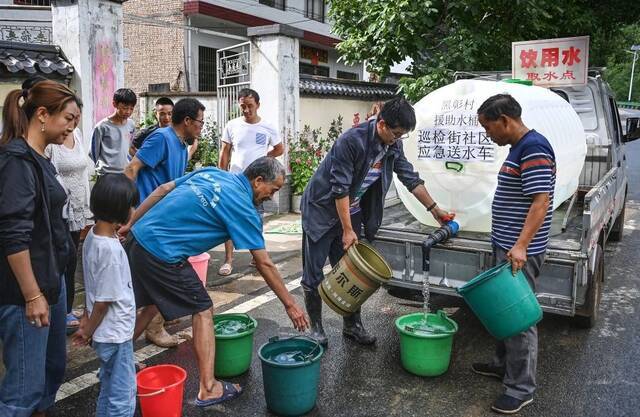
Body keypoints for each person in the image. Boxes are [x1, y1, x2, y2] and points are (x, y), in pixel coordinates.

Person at [119, 157, 308, 407]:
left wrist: (131, 224)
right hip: (163, 254)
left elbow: (161, 190)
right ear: (258, 180)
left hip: (139, 238)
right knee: (203, 309)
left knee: (153, 303)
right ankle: (208, 388)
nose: (271, 197)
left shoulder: (212, 173)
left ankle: (115, 364)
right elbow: (264, 264)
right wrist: (290, 305)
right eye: (272, 190)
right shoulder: (244, 208)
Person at [300, 97, 454, 347]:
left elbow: (409, 176)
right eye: (395, 133)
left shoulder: (392, 144)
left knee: (352, 270)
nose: (397, 139)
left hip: (351, 211)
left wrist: (435, 210)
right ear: (381, 124)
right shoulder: (351, 141)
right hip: (321, 210)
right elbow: (340, 189)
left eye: (402, 135)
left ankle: (352, 325)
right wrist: (348, 231)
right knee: (314, 273)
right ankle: (316, 329)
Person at [0, 79, 81, 417]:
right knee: (24, 386)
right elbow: (13, 234)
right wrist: (33, 295)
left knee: (53, 367)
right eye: (69, 118)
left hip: (52, 282)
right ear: (43, 115)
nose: (72, 127)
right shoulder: (17, 161)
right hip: (25, 293)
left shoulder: (41, 158)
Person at [473, 94, 555, 414]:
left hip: (520, 253)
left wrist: (520, 246)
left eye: (488, 127)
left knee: (518, 318)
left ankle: (521, 388)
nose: (487, 134)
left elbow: (540, 202)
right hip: (508, 248)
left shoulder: (533, 147)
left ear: (505, 120)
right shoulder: (519, 148)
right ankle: (503, 365)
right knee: (502, 311)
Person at [124, 97, 206, 348]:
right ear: (188, 121)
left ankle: (149, 328)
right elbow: (131, 170)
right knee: (140, 282)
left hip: (162, 220)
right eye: (200, 123)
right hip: (145, 220)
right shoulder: (162, 138)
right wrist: (130, 214)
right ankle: (132, 338)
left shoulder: (182, 145)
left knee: (155, 279)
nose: (201, 127)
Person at [72, 174, 139, 417]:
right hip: (115, 333)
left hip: (105, 333)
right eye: (131, 205)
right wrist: (87, 329)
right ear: (120, 209)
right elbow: (104, 301)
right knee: (123, 396)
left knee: (108, 388)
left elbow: (94, 286)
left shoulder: (93, 236)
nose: (133, 209)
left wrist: (86, 320)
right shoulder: (109, 250)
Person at [217, 88, 283, 276]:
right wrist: (222, 176)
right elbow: (225, 152)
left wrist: (264, 159)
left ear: (258, 105)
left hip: (258, 185)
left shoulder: (268, 126)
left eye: (250, 106)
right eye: (243, 106)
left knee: (257, 219)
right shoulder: (232, 125)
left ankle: (257, 258)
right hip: (235, 181)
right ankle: (228, 260)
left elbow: (279, 148)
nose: (246, 110)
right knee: (229, 221)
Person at [45, 113, 93, 334]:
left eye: (76, 116)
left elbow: (84, 170)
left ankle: (66, 309)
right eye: (68, 116)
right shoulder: (50, 143)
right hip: (59, 210)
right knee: (59, 260)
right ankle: (56, 309)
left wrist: (86, 205)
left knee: (71, 259)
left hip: (78, 207)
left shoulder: (79, 134)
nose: (73, 122)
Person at [90, 88, 137, 176]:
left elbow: (130, 147)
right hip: (107, 175)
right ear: (114, 104)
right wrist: (104, 167)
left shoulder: (131, 124)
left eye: (131, 108)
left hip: (125, 174)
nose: (128, 112)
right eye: (125, 108)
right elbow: (93, 152)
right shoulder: (102, 126)